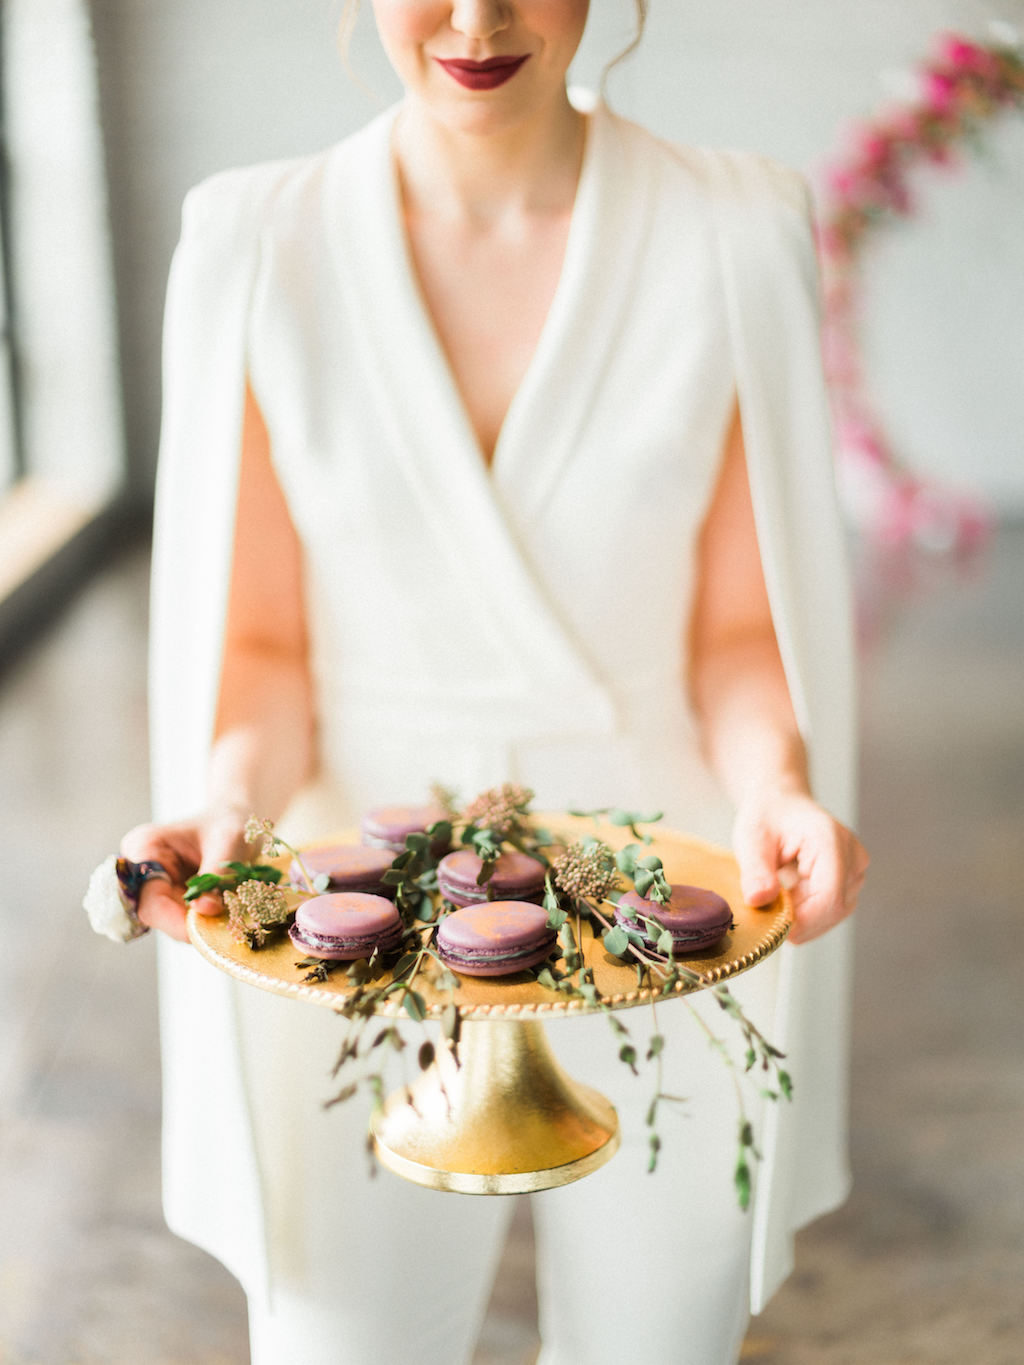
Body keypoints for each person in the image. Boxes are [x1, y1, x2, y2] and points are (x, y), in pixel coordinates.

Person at [108, 1, 868, 1360]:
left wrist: (782, 786)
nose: (476, 20)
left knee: (659, 1337)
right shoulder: (256, 244)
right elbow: (266, 647)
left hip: (669, 903)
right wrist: (224, 805)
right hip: (353, 903)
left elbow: (740, 633)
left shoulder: (733, 230)